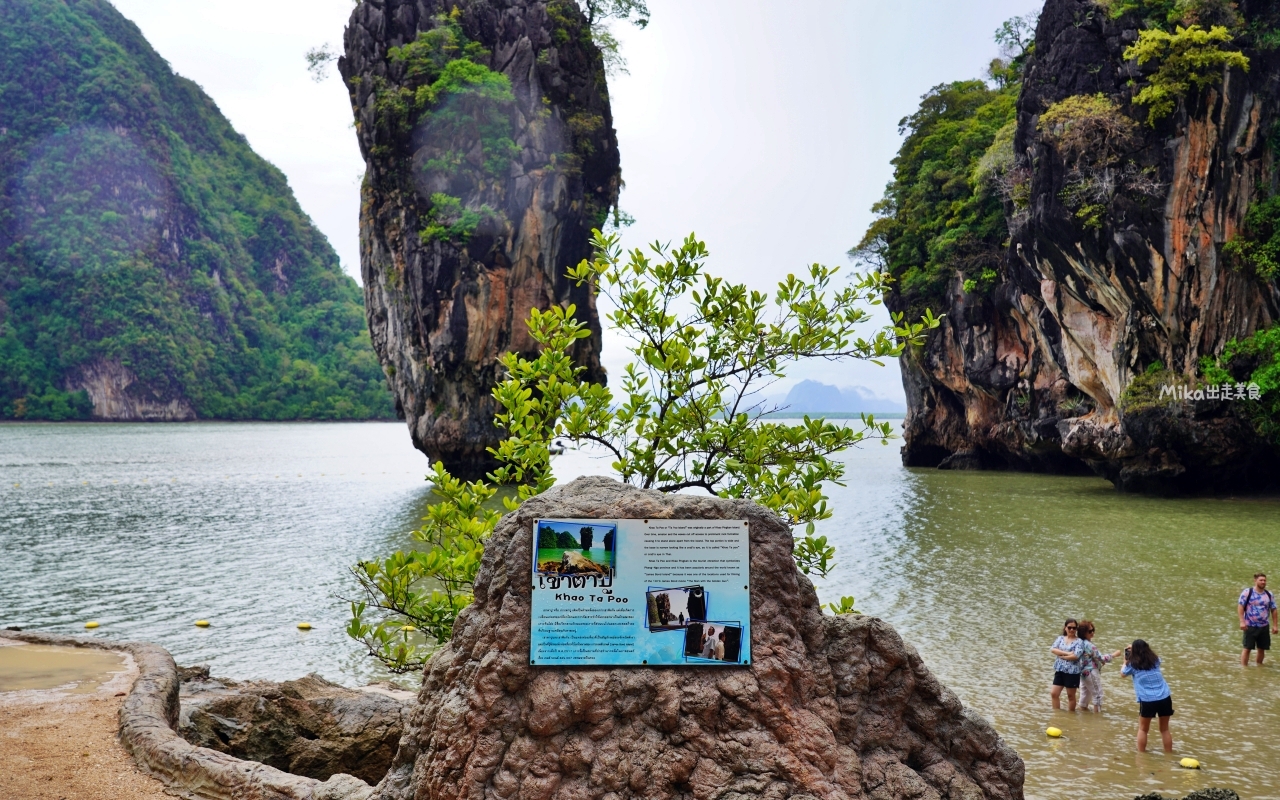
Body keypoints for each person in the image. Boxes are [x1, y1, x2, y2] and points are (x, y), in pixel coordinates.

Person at [1121, 639, 1173, 753]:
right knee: (1164, 730)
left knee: (1143, 730)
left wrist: (1126, 659)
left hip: (1147, 699)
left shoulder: (1133, 665)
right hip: (1164, 696)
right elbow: (1156, 657)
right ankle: (1169, 754)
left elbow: (1123, 673)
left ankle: (1141, 755)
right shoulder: (1155, 661)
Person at [1077, 620, 1122, 713]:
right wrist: (1114, 655)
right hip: (1090, 672)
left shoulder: (1079, 643)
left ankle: (1082, 714)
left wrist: (1098, 661)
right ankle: (1097, 718)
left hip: (1083, 672)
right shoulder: (1089, 645)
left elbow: (1090, 657)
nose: (1092, 632)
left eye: (1093, 630)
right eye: (1090, 631)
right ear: (1083, 633)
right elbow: (1100, 657)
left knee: (1086, 694)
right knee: (1098, 695)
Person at [1238, 572, 1278, 667]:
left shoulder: (1269, 594)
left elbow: (1274, 610)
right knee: (1247, 648)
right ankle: (1244, 669)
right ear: (1255, 580)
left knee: (1261, 649)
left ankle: (1259, 667)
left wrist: (1275, 625)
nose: (1263, 582)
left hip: (1264, 626)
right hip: (1250, 625)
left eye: (1264, 580)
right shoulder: (1248, 592)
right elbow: (1240, 607)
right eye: (1261, 580)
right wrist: (1242, 621)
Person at [1050, 619, 1085, 711]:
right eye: (1069, 627)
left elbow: (1076, 656)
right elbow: (1053, 649)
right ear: (1065, 628)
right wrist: (1067, 653)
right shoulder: (1060, 638)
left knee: (1070, 696)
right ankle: (1057, 714)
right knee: (1054, 693)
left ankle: (1071, 715)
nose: (1072, 630)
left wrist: (1062, 656)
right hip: (1060, 670)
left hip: (1072, 672)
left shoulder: (1079, 641)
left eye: (1074, 628)